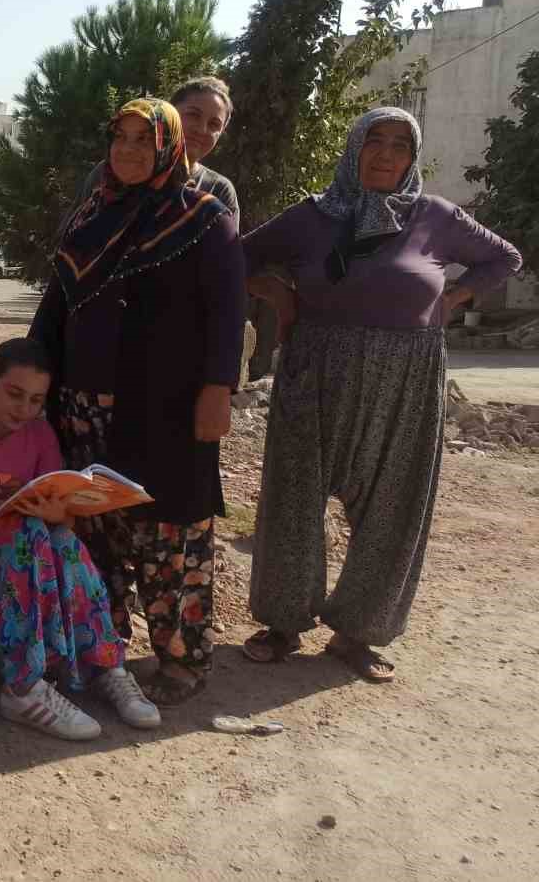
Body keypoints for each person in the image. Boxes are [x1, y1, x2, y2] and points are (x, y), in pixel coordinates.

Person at [241, 107, 521, 681]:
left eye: (401, 144)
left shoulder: (435, 216)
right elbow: (234, 256)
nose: (387, 153)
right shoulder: (311, 217)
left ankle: (359, 632)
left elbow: (503, 257)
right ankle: (283, 622)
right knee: (294, 500)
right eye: (375, 140)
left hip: (407, 377)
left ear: (413, 158)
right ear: (354, 147)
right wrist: (279, 295)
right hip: (314, 369)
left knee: (393, 504)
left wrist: (455, 298)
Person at [31, 97, 245, 706]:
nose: (127, 150)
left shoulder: (204, 219)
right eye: (119, 137)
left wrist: (217, 391)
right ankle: (106, 652)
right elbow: (58, 306)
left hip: (166, 409)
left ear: (168, 148)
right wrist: (28, 374)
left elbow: (228, 316)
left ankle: (180, 660)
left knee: (168, 534)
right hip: (82, 408)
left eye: (142, 141)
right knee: (93, 534)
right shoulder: (89, 216)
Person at [0, 338, 159, 740]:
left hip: (19, 549)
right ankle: (21, 687)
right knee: (28, 535)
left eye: (36, 400)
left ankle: (106, 666)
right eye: (14, 394)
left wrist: (59, 514)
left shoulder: (39, 435)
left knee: (59, 539)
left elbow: (61, 522)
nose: (24, 410)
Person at [54, 75, 239, 241]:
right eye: (193, 115)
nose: (201, 129)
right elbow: (69, 239)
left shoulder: (219, 191)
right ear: (169, 115)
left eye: (214, 124)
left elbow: (225, 259)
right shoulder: (115, 171)